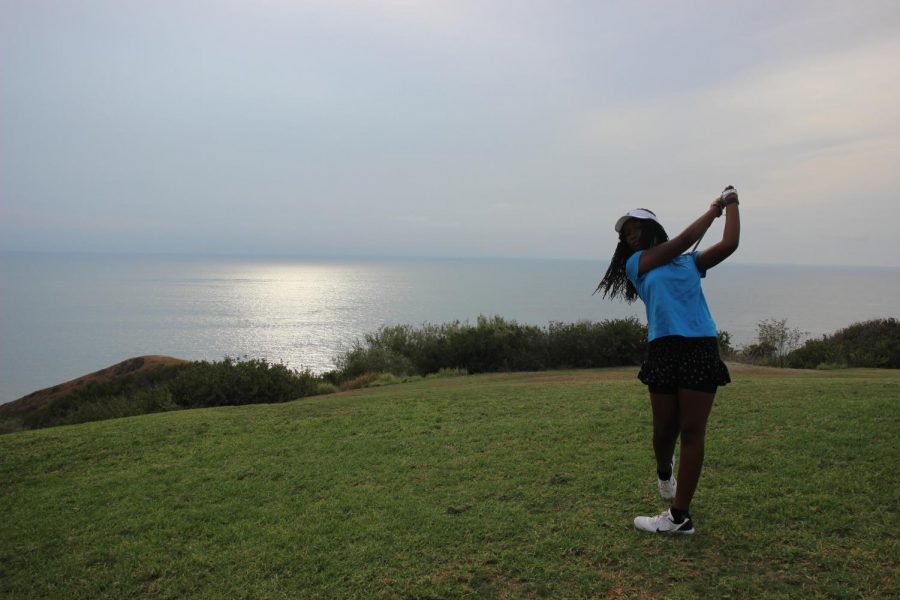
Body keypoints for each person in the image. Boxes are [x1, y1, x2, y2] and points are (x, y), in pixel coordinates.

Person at [595, 186, 741, 534]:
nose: (629, 236)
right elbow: (679, 242)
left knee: (692, 431)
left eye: (635, 229)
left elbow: (730, 244)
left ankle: (679, 516)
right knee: (664, 431)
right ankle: (665, 471)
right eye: (625, 234)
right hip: (662, 347)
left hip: (699, 345)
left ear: (651, 229)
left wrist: (732, 204)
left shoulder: (691, 262)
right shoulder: (637, 264)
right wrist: (711, 210)